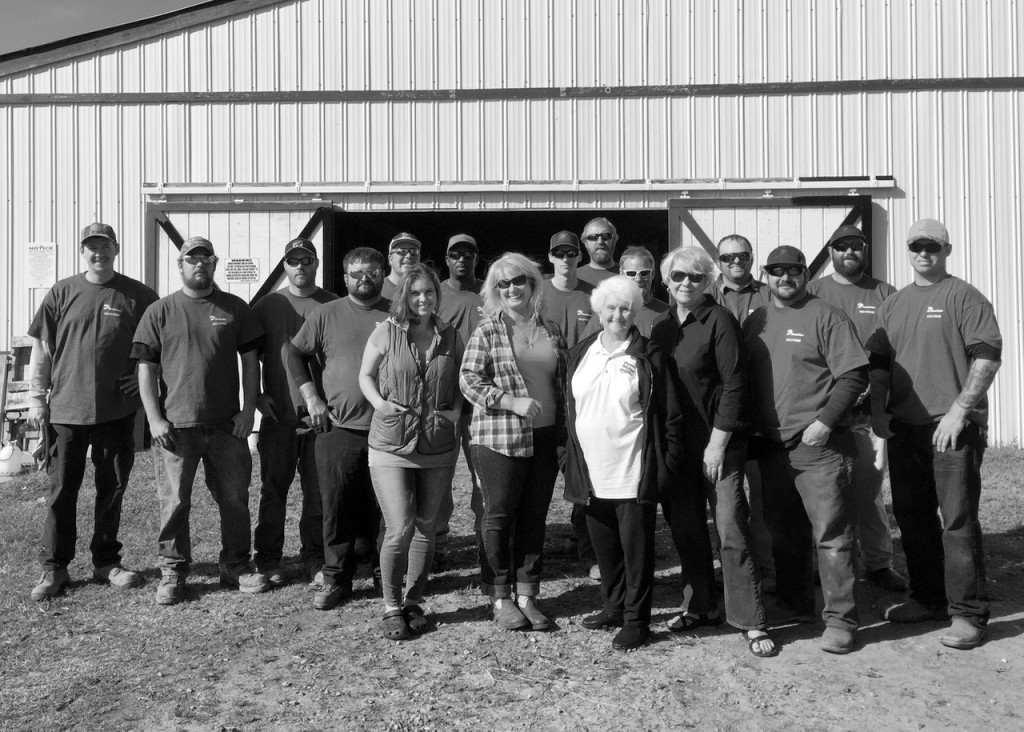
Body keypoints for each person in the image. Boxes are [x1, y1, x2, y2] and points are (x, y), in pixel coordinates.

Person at [867, 218, 1002, 650]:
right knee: (912, 516)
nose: (924, 253)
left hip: (952, 430)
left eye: (932, 246)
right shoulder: (894, 303)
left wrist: (960, 412)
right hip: (905, 428)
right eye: (916, 246)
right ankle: (927, 598)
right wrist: (878, 411)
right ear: (907, 251)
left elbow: (987, 358)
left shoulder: (964, 296)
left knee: (958, 521)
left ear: (947, 249)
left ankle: (969, 613)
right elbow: (880, 365)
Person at [650, 247, 777, 658]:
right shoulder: (661, 327)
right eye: (678, 276)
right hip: (677, 447)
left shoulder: (719, 321)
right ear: (666, 282)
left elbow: (735, 384)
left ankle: (749, 619)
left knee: (731, 530)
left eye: (696, 277)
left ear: (708, 282)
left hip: (719, 445)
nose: (686, 283)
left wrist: (718, 443)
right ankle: (698, 605)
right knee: (686, 530)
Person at [743, 245, 868, 654]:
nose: (785, 278)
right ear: (766, 275)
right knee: (785, 532)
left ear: (804, 274)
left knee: (831, 535)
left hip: (818, 445)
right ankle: (796, 605)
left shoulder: (825, 315)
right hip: (772, 446)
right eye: (776, 271)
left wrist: (824, 422)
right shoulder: (756, 318)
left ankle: (841, 621)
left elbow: (853, 376)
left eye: (793, 270)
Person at [27, 222, 159, 601]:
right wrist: (37, 397)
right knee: (61, 490)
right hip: (66, 409)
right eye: (90, 247)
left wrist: (144, 374)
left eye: (104, 246)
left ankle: (106, 562)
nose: (97, 253)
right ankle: (55, 567)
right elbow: (42, 349)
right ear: (82, 252)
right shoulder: (62, 292)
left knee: (112, 487)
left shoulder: (139, 295)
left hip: (117, 410)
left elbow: (162, 342)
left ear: (116, 249)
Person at [133, 236, 268, 605]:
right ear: (180, 266)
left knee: (235, 499)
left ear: (214, 263)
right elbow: (146, 370)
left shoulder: (235, 308)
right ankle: (173, 572)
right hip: (176, 429)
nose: (199, 265)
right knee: (175, 502)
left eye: (205, 259)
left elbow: (250, 362)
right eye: (191, 259)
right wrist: (155, 419)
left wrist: (247, 411)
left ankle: (236, 565)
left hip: (227, 425)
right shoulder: (160, 312)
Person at [565, 277, 685, 651]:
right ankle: (613, 606)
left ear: (635, 312)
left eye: (626, 308)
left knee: (636, 551)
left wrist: (666, 464)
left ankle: (637, 621)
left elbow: (671, 417)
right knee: (605, 547)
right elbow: (570, 406)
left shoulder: (648, 356)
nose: (618, 315)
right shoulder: (581, 352)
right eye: (611, 308)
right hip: (590, 472)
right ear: (599, 311)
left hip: (632, 470)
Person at [460, 253, 566, 631]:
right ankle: (500, 596)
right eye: (502, 284)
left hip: (546, 436)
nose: (511, 289)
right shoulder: (488, 330)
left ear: (533, 283)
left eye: (518, 280)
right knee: (499, 515)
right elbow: (469, 379)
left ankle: (528, 594)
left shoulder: (551, 329)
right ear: (494, 291)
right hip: (500, 438)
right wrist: (509, 402)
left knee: (534, 516)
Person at [359, 264, 464, 641]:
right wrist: (380, 405)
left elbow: (463, 380)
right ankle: (390, 605)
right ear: (405, 294)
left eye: (429, 293)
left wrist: (456, 411)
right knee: (400, 525)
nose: (423, 299)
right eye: (416, 292)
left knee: (427, 524)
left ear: (438, 295)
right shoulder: (386, 333)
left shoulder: (450, 335)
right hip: (390, 443)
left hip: (436, 444)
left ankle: (414, 602)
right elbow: (365, 376)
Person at [289, 247, 390, 610]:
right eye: (357, 272)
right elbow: (294, 353)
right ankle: (336, 579)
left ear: (383, 273)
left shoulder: (398, 314)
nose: (365, 278)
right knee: (337, 505)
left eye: (373, 272)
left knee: (387, 506)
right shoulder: (326, 313)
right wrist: (311, 398)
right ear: (345, 277)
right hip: (339, 426)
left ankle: (386, 575)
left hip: (389, 428)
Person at [807, 225, 907, 593]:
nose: (850, 252)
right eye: (842, 246)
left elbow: (895, 351)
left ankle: (879, 563)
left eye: (856, 246)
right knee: (823, 495)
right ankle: (820, 564)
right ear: (831, 250)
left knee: (869, 491)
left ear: (865, 250)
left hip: (867, 411)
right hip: (823, 413)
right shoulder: (814, 290)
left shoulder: (883, 293)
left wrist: (881, 404)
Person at [251, 238, 338, 586]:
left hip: (322, 418)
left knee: (318, 493)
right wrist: (255, 394)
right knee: (274, 490)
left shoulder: (333, 304)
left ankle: (314, 558)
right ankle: (269, 558)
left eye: (307, 259)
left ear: (317, 264)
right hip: (279, 416)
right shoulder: (267, 305)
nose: (300, 266)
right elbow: (246, 354)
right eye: (293, 260)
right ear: (284, 266)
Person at [540, 231, 597, 579]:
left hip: (583, 402)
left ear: (580, 255)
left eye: (571, 252)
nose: (565, 258)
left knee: (585, 478)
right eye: (558, 252)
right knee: (537, 479)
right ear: (550, 257)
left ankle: (590, 551)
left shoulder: (593, 296)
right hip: (544, 401)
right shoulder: (536, 292)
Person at [433, 234, 485, 568]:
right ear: (447, 259)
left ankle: (486, 540)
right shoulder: (433, 294)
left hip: (482, 402)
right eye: (455, 254)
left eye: (468, 253)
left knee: (484, 475)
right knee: (439, 474)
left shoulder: (492, 291)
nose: (462, 259)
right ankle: (436, 543)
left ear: (476, 258)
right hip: (444, 399)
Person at [583, 245, 669, 338]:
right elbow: (583, 350)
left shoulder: (668, 314)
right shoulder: (606, 313)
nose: (638, 279)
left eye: (644, 273)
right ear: (621, 274)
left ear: (653, 274)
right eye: (631, 273)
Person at [711, 234, 770, 324]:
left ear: (752, 260)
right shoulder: (706, 295)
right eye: (728, 257)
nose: (737, 261)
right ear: (718, 263)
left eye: (743, 255)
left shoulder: (769, 294)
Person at [576, 217, 620, 287]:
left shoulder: (630, 275)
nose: (600, 242)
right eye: (593, 237)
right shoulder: (573, 277)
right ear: (585, 243)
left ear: (614, 240)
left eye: (605, 236)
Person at [382, 232, 422, 300]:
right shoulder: (378, 288)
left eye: (414, 251)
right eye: (402, 251)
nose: (408, 256)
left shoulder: (426, 290)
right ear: (390, 259)